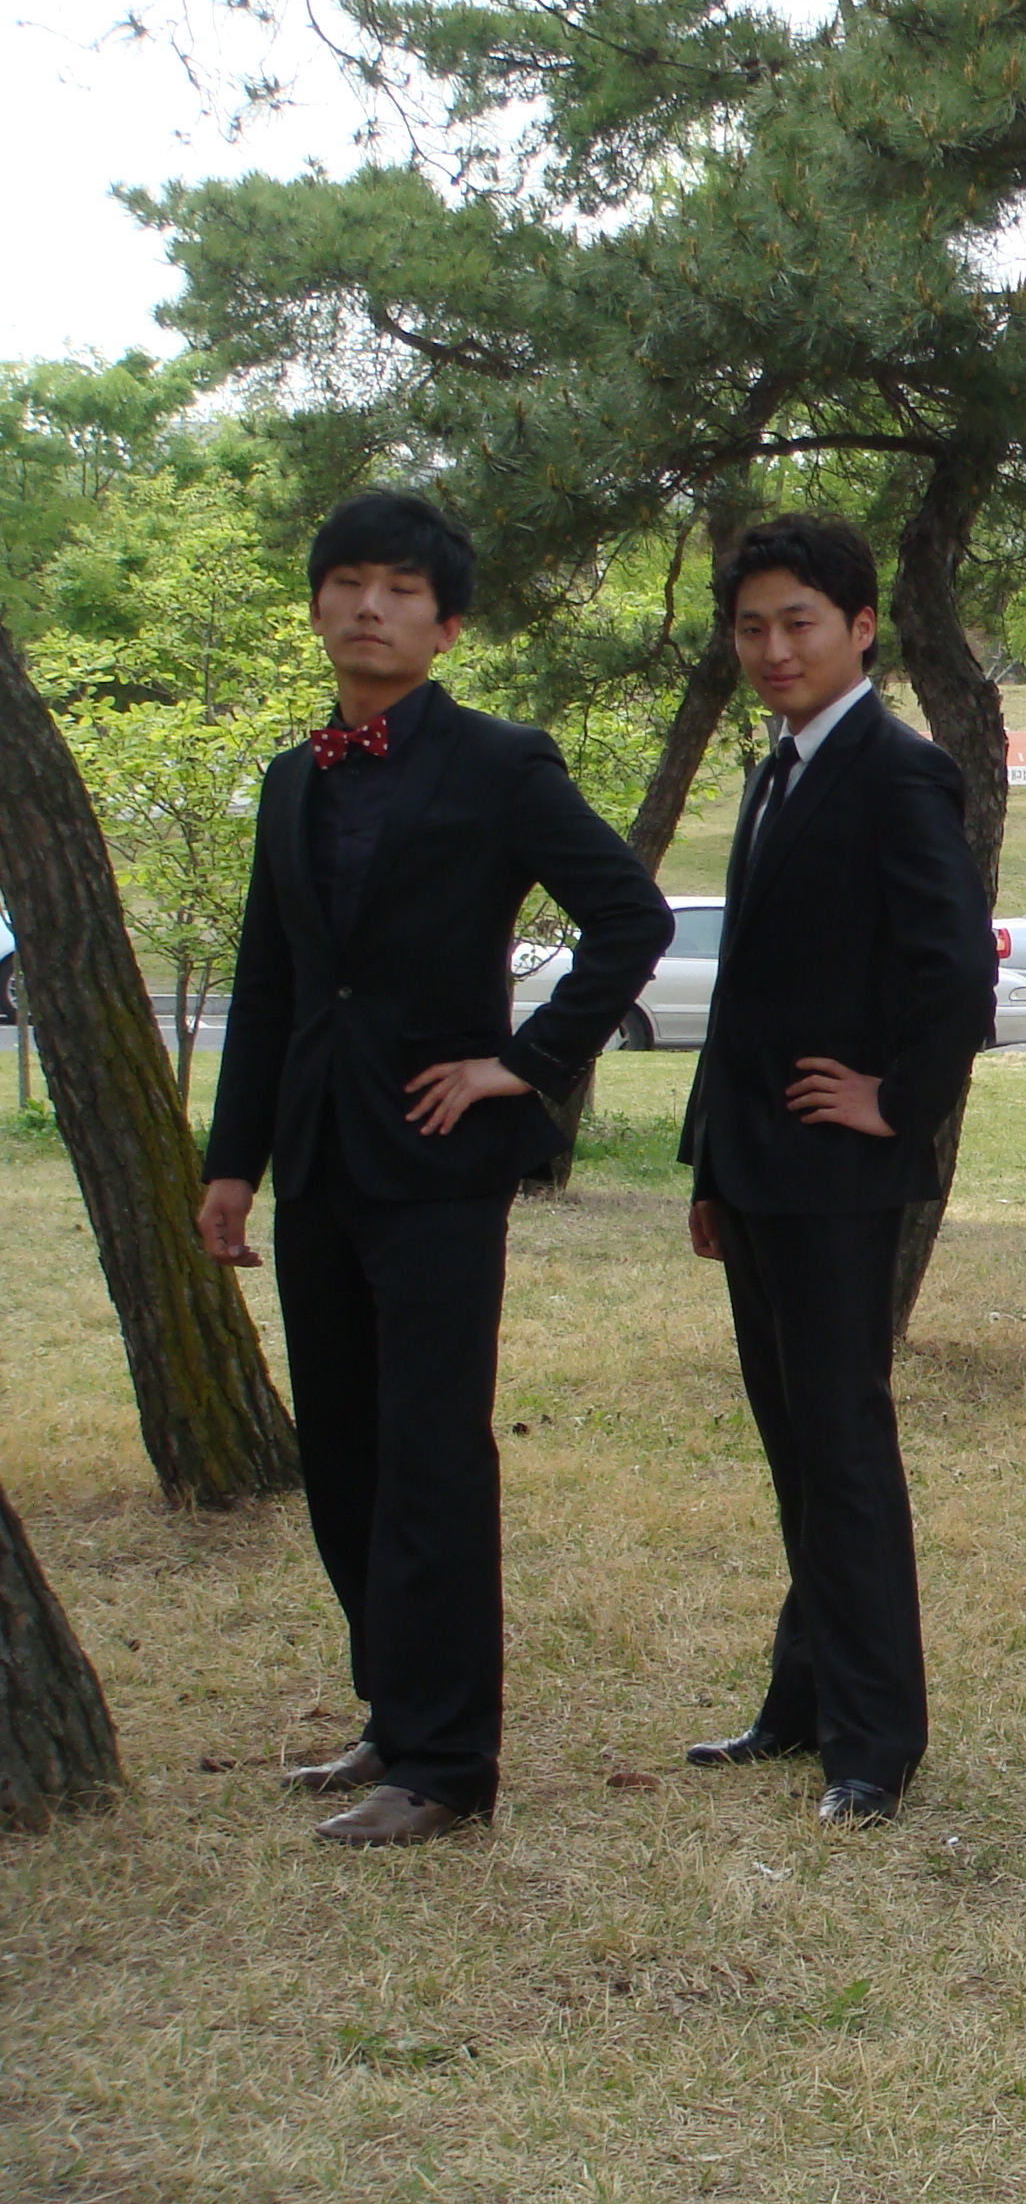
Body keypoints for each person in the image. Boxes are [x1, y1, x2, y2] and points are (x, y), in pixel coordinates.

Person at [197, 491, 670, 1847]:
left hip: (440, 1159)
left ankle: (449, 1765)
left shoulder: (500, 763)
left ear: (447, 623)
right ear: (317, 605)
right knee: (343, 1451)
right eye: (349, 582)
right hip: (315, 1156)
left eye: (402, 589)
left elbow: (629, 917)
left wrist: (525, 1063)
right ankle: (393, 1715)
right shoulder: (294, 778)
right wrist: (233, 1164)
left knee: (430, 1457)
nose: (370, 607)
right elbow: (272, 982)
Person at [675, 515, 992, 1828]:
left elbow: (955, 974)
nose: (772, 649)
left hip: (840, 1177)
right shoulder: (778, 768)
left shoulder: (898, 771)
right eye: (751, 627)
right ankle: (802, 1701)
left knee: (844, 1451)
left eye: (797, 623)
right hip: (757, 1172)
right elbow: (744, 994)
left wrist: (894, 1103)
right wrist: (710, 1162)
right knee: (796, 1448)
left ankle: (876, 1742)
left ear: (861, 629)